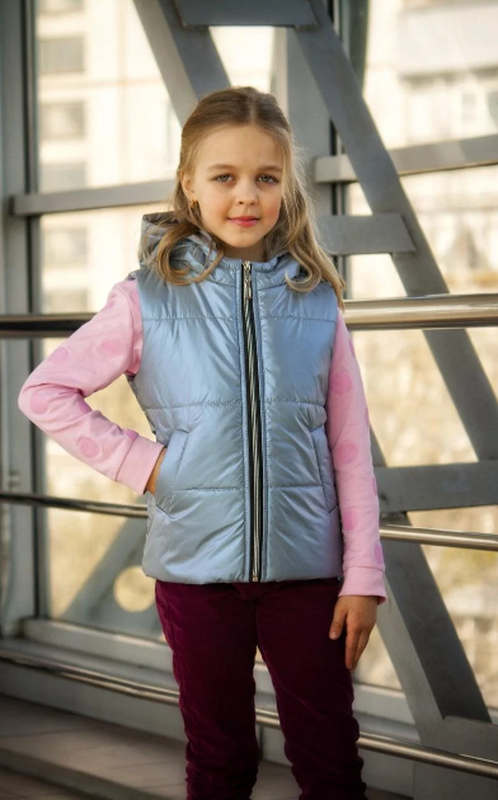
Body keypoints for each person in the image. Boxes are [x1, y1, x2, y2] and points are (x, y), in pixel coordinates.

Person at [18, 85, 387, 800]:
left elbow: (349, 449)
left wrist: (363, 575)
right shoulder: (143, 299)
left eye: (266, 177)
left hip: (309, 576)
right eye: (225, 176)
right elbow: (46, 392)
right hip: (194, 576)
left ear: (286, 185)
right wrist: (152, 466)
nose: (246, 195)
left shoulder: (315, 300)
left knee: (332, 761)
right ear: (188, 183)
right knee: (220, 759)